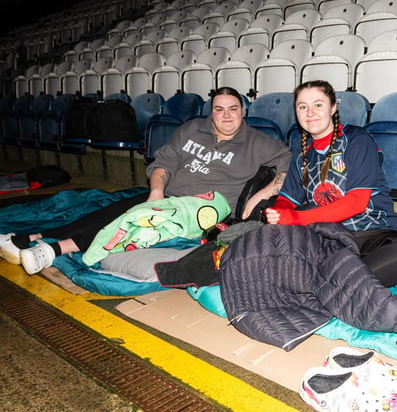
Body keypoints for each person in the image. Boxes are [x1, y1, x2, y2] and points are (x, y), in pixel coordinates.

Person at [0, 87, 292, 275]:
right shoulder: (192, 129)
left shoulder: (258, 141)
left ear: (243, 111)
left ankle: (54, 249)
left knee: (133, 222)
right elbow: (163, 163)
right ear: (210, 112)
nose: (226, 115)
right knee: (109, 212)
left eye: (233, 108)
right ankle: (33, 237)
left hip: (201, 209)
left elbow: (288, 162)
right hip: (166, 196)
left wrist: (262, 193)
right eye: (219, 109)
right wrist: (156, 191)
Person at [265, 80, 397, 287]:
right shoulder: (302, 155)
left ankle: (330, 285)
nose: (310, 113)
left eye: (318, 105)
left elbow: (356, 203)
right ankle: (342, 285)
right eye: (302, 107)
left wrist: (296, 218)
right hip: (328, 237)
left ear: (333, 108)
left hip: (370, 233)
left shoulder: (357, 139)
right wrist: (279, 213)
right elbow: (286, 199)